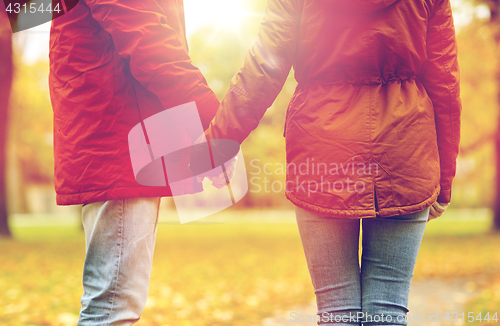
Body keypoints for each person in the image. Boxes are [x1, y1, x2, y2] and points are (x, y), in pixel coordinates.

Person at [203, 0, 461, 325]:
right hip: (405, 151)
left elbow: (262, 71)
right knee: (389, 308)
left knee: (336, 309)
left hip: (322, 148)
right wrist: (444, 181)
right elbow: (445, 83)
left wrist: (217, 145)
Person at [48, 0, 223, 324]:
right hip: (122, 133)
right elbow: (148, 41)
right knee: (112, 308)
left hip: (109, 127)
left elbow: (20, 12)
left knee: (111, 303)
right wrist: (214, 122)